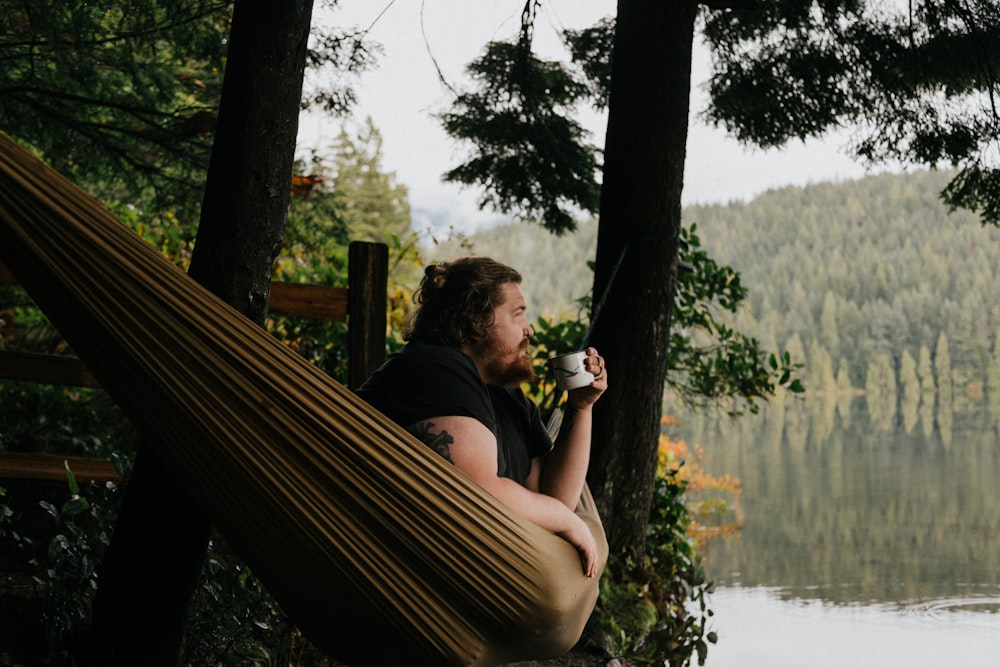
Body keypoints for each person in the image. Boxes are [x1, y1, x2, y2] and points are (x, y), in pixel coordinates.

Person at [356, 257, 607, 576]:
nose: (528, 328)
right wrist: (566, 520)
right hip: (395, 567)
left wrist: (581, 407)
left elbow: (553, 495)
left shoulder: (505, 393)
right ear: (475, 319)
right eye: (518, 314)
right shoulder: (436, 368)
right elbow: (480, 491)